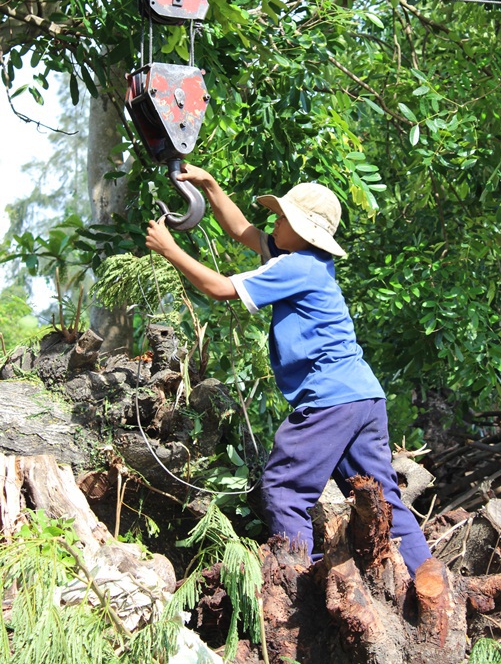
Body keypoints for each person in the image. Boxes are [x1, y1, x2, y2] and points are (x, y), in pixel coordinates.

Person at [145, 165, 431, 577]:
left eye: (282, 218)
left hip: (330, 398)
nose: (274, 222)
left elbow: (220, 288)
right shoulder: (306, 262)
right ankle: (428, 580)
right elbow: (242, 230)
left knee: (284, 490)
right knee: (381, 499)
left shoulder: (294, 267)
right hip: (364, 396)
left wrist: (170, 249)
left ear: (304, 231)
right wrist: (208, 186)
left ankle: (299, 592)